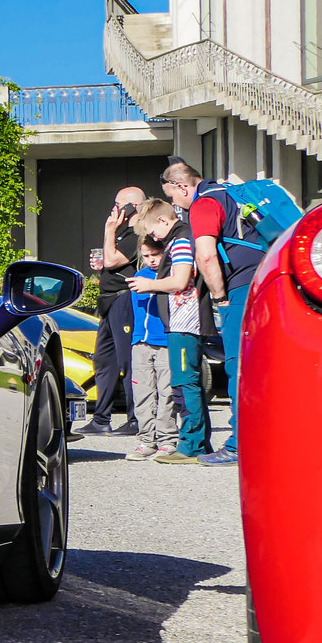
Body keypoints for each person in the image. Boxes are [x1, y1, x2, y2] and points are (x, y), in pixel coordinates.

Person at [161, 159, 251, 468]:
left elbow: (207, 254)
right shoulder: (234, 193)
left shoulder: (204, 203)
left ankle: (240, 444)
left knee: (238, 367)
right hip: (270, 280)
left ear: (182, 186)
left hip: (241, 289)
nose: (176, 206)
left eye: (174, 198)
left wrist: (220, 297)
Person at [129, 200, 208, 462]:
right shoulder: (178, 239)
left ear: (163, 221)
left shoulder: (182, 240)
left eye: (153, 231)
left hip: (184, 322)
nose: (153, 238)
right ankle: (190, 442)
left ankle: (190, 444)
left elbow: (180, 280)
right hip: (176, 323)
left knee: (184, 384)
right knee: (179, 385)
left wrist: (150, 285)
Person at [80, 185, 148, 436]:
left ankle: (134, 418)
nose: (114, 209)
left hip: (124, 300)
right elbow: (108, 264)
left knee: (127, 359)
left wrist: (109, 230)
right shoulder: (123, 234)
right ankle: (101, 418)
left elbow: (111, 260)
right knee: (103, 359)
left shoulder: (137, 234)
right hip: (109, 300)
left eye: (119, 204)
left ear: (133, 207)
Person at [124, 237, 175, 460]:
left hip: (164, 340)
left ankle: (167, 438)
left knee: (167, 392)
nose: (151, 260)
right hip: (140, 341)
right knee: (142, 392)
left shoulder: (173, 275)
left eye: (155, 255)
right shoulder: (139, 275)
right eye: (146, 256)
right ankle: (146, 438)